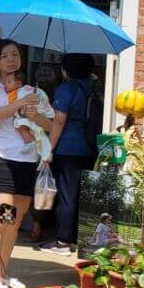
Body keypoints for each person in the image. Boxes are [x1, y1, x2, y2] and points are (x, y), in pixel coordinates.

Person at [0, 40, 52, 288]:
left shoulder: (33, 90)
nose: (11, 59)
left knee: (16, 222)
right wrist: (18, 105)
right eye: (5, 55)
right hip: (2, 161)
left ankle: (2, 272)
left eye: (15, 55)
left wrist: (33, 114)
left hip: (27, 162)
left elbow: (49, 125)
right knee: (4, 219)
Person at [44, 53, 97, 255]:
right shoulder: (92, 89)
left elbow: (58, 121)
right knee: (80, 195)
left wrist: (48, 148)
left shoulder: (66, 89)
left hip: (67, 148)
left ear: (66, 69)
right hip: (89, 147)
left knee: (67, 195)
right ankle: (75, 238)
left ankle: (63, 242)